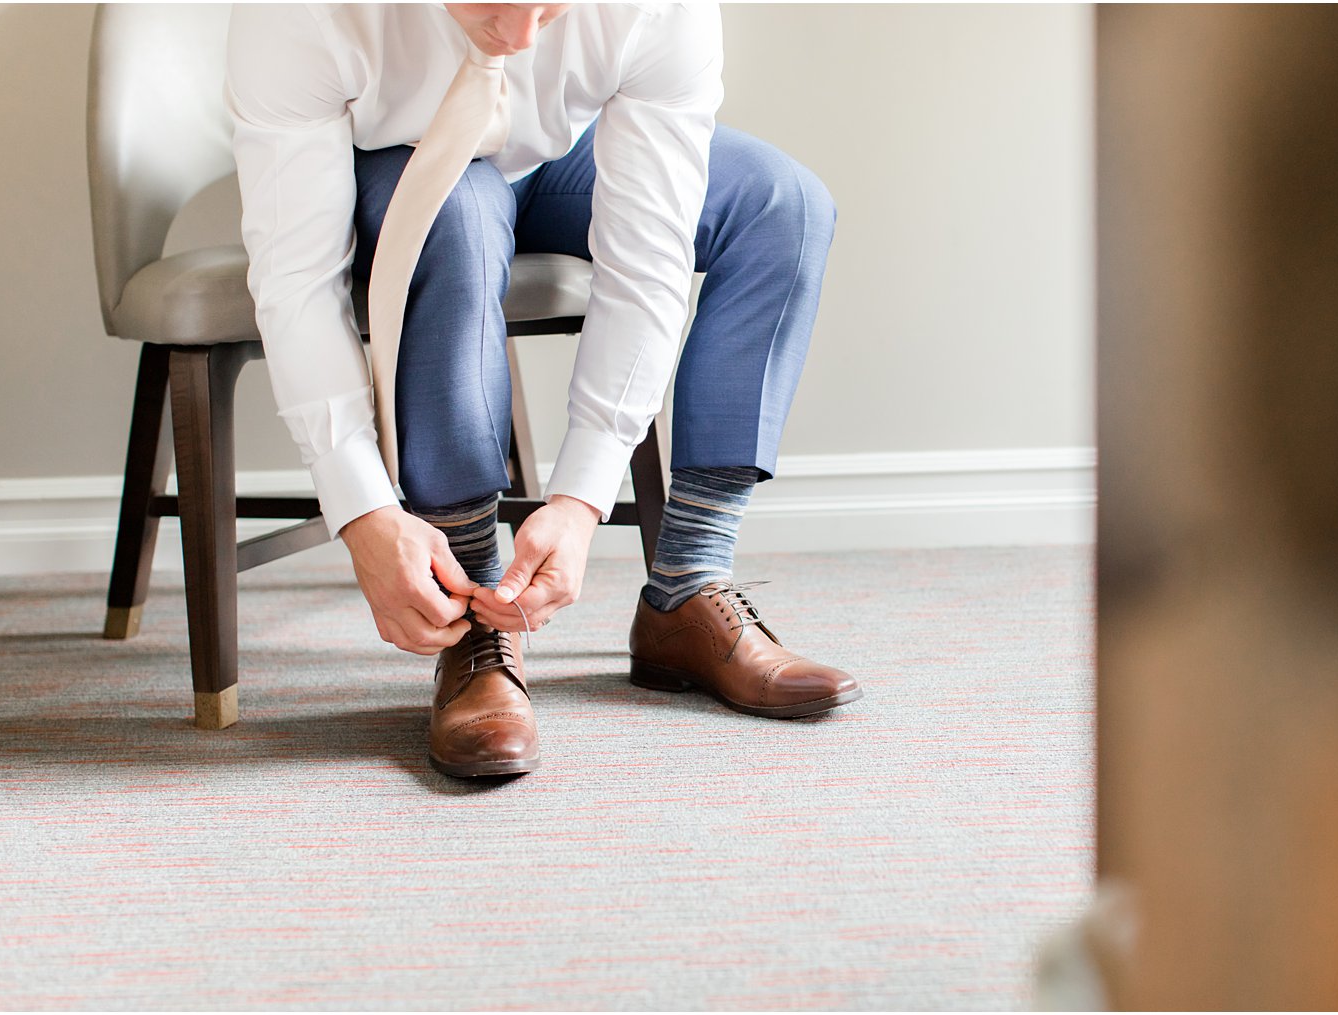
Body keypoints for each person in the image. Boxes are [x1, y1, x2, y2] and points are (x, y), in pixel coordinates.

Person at [225, 2, 862, 779]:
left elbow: (648, 260)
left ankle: (688, 585)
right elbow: (297, 282)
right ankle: (473, 623)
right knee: (450, 218)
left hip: (560, 156)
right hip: (392, 158)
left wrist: (581, 500)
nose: (523, 37)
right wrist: (361, 511)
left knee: (784, 208)